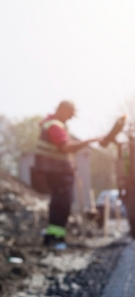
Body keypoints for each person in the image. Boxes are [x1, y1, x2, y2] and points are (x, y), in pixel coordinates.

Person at [34, 101, 102, 248]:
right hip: (57, 173)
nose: (70, 118)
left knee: (59, 204)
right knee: (61, 205)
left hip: (58, 172)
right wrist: (88, 141)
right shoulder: (55, 126)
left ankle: (53, 237)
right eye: (70, 115)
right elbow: (66, 148)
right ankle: (56, 239)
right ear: (62, 110)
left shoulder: (51, 124)